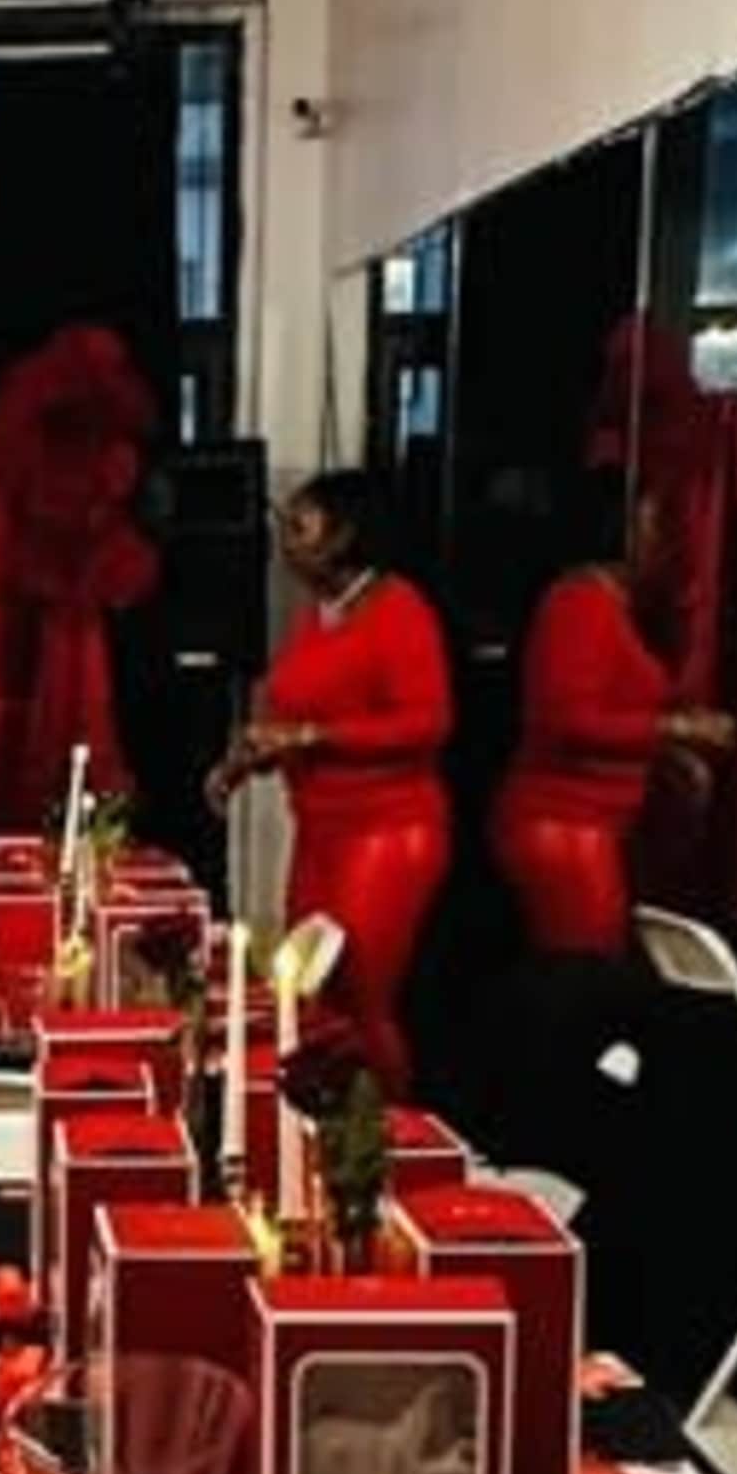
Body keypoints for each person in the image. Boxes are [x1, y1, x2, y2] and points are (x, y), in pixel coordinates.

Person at [221, 466, 454, 1088]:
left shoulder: (399, 609)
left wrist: (310, 737)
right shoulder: (321, 614)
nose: (286, 541)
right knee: (308, 992)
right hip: (321, 829)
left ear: (345, 534)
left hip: (387, 831)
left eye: (300, 526)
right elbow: (295, 717)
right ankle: (323, 1145)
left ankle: (393, 1144)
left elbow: (427, 723)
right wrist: (247, 763)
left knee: (362, 998)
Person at [492, 471, 733, 965]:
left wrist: (670, 752)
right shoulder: (578, 603)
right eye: (650, 523)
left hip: (590, 824)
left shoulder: (610, 602)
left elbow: (614, 711)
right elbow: (569, 720)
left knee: (592, 971)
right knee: (587, 973)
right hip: (563, 823)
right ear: (615, 526)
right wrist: (678, 729)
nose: (659, 538)